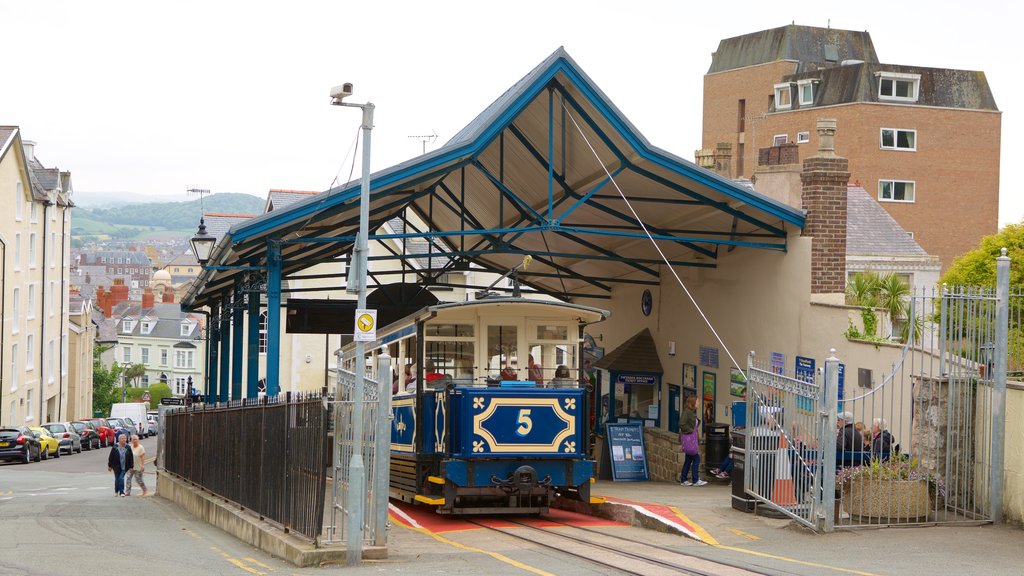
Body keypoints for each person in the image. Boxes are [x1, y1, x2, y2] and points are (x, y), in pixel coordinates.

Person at [679, 396, 707, 486]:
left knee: (688, 460)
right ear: (693, 403)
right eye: (697, 402)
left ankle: (683, 479)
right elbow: (681, 424)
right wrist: (690, 430)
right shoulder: (687, 412)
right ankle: (695, 480)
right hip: (689, 439)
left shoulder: (691, 412)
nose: (698, 403)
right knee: (696, 459)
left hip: (692, 439)